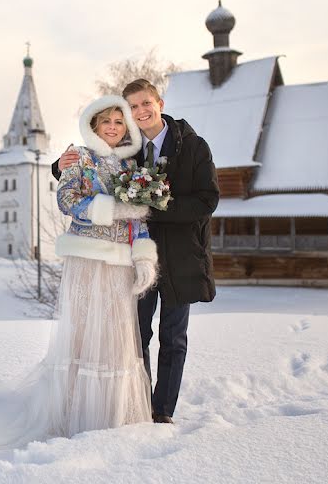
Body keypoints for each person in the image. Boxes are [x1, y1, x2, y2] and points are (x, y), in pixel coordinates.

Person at [52, 78, 219, 424]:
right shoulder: (132, 148)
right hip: (131, 254)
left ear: (159, 102)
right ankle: (137, 404)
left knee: (173, 337)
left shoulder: (192, 146)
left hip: (180, 254)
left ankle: (162, 411)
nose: (141, 112)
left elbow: (208, 200)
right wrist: (60, 164)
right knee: (135, 334)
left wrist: (157, 205)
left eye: (147, 103)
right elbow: (97, 162)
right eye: (134, 107)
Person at [38, 95, 158, 437]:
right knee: (87, 333)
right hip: (89, 260)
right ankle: (81, 415)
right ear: (94, 125)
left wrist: (144, 257)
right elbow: (67, 200)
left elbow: (140, 216)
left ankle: (114, 416)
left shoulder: (131, 168)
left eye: (120, 123)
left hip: (119, 264)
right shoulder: (78, 156)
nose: (113, 128)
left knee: (116, 338)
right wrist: (111, 208)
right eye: (106, 121)